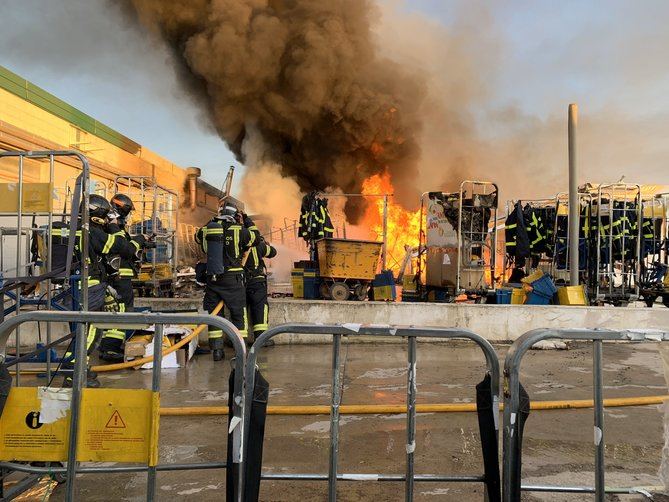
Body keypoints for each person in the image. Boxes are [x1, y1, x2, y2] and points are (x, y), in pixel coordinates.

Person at [63, 194, 147, 387]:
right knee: (89, 330)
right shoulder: (92, 232)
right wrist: (114, 226)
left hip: (72, 288)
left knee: (79, 332)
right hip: (90, 288)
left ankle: (73, 367)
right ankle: (75, 375)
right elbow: (123, 248)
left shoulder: (71, 229)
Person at [195, 204, 258, 361]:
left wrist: (212, 221)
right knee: (238, 314)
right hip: (233, 279)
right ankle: (240, 349)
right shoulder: (239, 230)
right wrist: (247, 220)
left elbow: (197, 237)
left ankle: (217, 351)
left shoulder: (208, 229)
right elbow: (255, 238)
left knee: (215, 316)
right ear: (235, 216)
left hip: (213, 279)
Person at [98, 193, 145, 362]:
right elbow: (125, 249)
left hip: (116, 275)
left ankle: (108, 346)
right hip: (118, 277)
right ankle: (110, 348)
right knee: (121, 310)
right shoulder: (112, 224)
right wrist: (139, 240)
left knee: (114, 310)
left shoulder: (112, 224)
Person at [242, 221, 277, 346]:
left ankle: (240, 340)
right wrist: (265, 244)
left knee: (241, 311)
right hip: (257, 282)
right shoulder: (259, 245)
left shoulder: (237, 243)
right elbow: (273, 252)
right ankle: (261, 339)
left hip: (240, 282)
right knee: (260, 308)